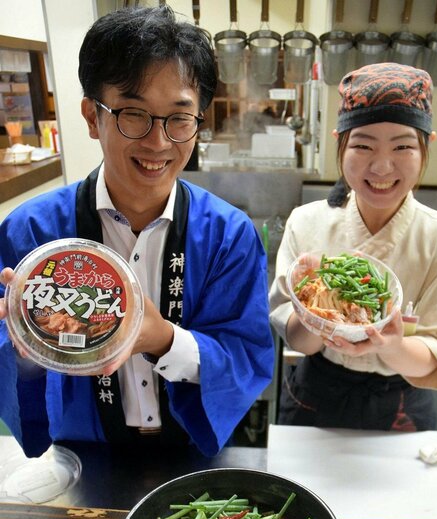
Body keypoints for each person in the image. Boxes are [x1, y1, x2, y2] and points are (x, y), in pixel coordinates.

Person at [0, 5, 274, 458]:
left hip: (192, 454)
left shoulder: (228, 235)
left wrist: (161, 338)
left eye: (179, 117)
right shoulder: (31, 231)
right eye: (133, 113)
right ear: (93, 116)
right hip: (81, 456)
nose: (158, 141)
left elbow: (246, 355)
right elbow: (8, 361)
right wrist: (27, 353)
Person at [269, 62, 437, 431]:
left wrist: (390, 345)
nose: (382, 167)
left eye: (403, 146)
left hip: (400, 402)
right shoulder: (307, 221)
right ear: (341, 143)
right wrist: (317, 315)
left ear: (426, 146)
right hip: (315, 391)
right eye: (363, 145)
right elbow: (299, 340)